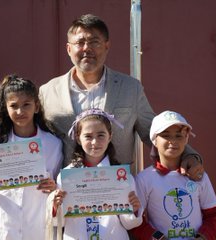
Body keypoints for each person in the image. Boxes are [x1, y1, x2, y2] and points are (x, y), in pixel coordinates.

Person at [39, 13, 204, 180]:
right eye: (80, 43)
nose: (87, 48)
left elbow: (153, 131)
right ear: (69, 49)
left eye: (94, 42)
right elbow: (33, 135)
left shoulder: (130, 88)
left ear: (106, 46)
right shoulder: (48, 92)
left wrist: (189, 156)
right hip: (69, 190)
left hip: (118, 189)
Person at [0, 75, 63, 240]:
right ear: (6, 109)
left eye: (26, 105)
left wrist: (53, 187)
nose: (20, 111)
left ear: (36, 106)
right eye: (14, 106)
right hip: (5, 229)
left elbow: (59, 187)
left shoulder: (53, 144)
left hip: (40, 229)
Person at [131, 111, 216, 239]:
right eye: (166, 135)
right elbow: (136, 221)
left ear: (186, 139)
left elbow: (214, 215)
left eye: (178, 136)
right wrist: (157, 237)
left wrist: (203, 236)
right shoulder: (144, 179)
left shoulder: (198, 176)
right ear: (154, 140)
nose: (172, 141)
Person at [52, 108, 142, 240]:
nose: (95, 142)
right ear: (78, 138)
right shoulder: (67, 176)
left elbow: (129, 224)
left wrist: (133, 209)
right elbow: (59, 223)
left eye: (101, 135)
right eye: (88, 136)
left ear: (110, 136)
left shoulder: (122, 176)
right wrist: (55, 207)